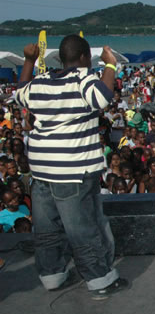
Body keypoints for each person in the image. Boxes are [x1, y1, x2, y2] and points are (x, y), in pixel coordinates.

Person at [15, 34, 128, 299]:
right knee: (83, 227)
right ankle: (99, 279)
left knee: (46, 227)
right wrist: (110, 65)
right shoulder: (84, 80)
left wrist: (29, 61)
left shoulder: (41, 82)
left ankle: (52, 275)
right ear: (85, 58)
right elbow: (102, 98)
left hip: (42, 170)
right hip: (73, 170)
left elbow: (20, 93)